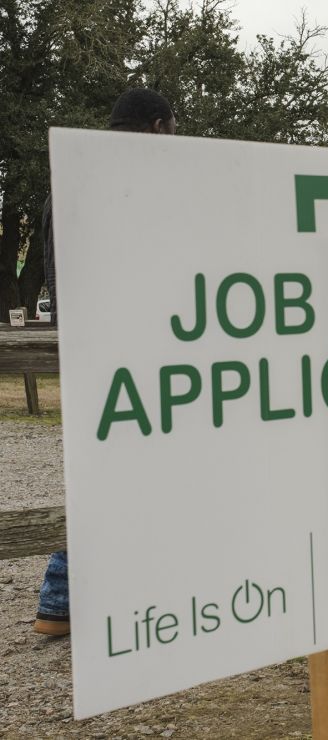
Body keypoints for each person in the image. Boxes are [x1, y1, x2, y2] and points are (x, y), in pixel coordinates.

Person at [33, 87, 177, 638]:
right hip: (136, 347)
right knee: (132, 474)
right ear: (157, 126)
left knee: (108, 472)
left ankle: (65, 602)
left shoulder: (72, 174)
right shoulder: (135, 178)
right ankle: (66, 599)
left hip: (90, 346)